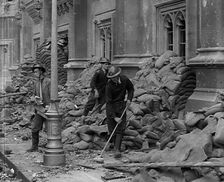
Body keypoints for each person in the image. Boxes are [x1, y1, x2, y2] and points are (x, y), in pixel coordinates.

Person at [105, 66, 134, 158]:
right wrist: (114, 117)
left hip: (121, 106)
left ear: (118, 75)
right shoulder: (109, 86)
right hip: (111, 107)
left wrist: (129, 99)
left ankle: (117, 149)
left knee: (120, 128)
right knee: (112, 129)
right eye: (111, 78)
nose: (113, 79)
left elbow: (131, 89)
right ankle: (114, 145)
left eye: (114, 77)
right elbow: (109, 103)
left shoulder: (125, 79)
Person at [27, 64, 51, 152]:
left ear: (41, 71)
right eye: (34, 72)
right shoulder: (36, 83)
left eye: (36, 71)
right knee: (35, 127)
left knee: (50, 128)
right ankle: (34, 147)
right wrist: (34, 98)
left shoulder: (48, 81)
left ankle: (51, 146)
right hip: (39, 108)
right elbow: (35, 94)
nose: (35, 73)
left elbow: (52, 94)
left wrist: (49, 105)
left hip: (49, 108)